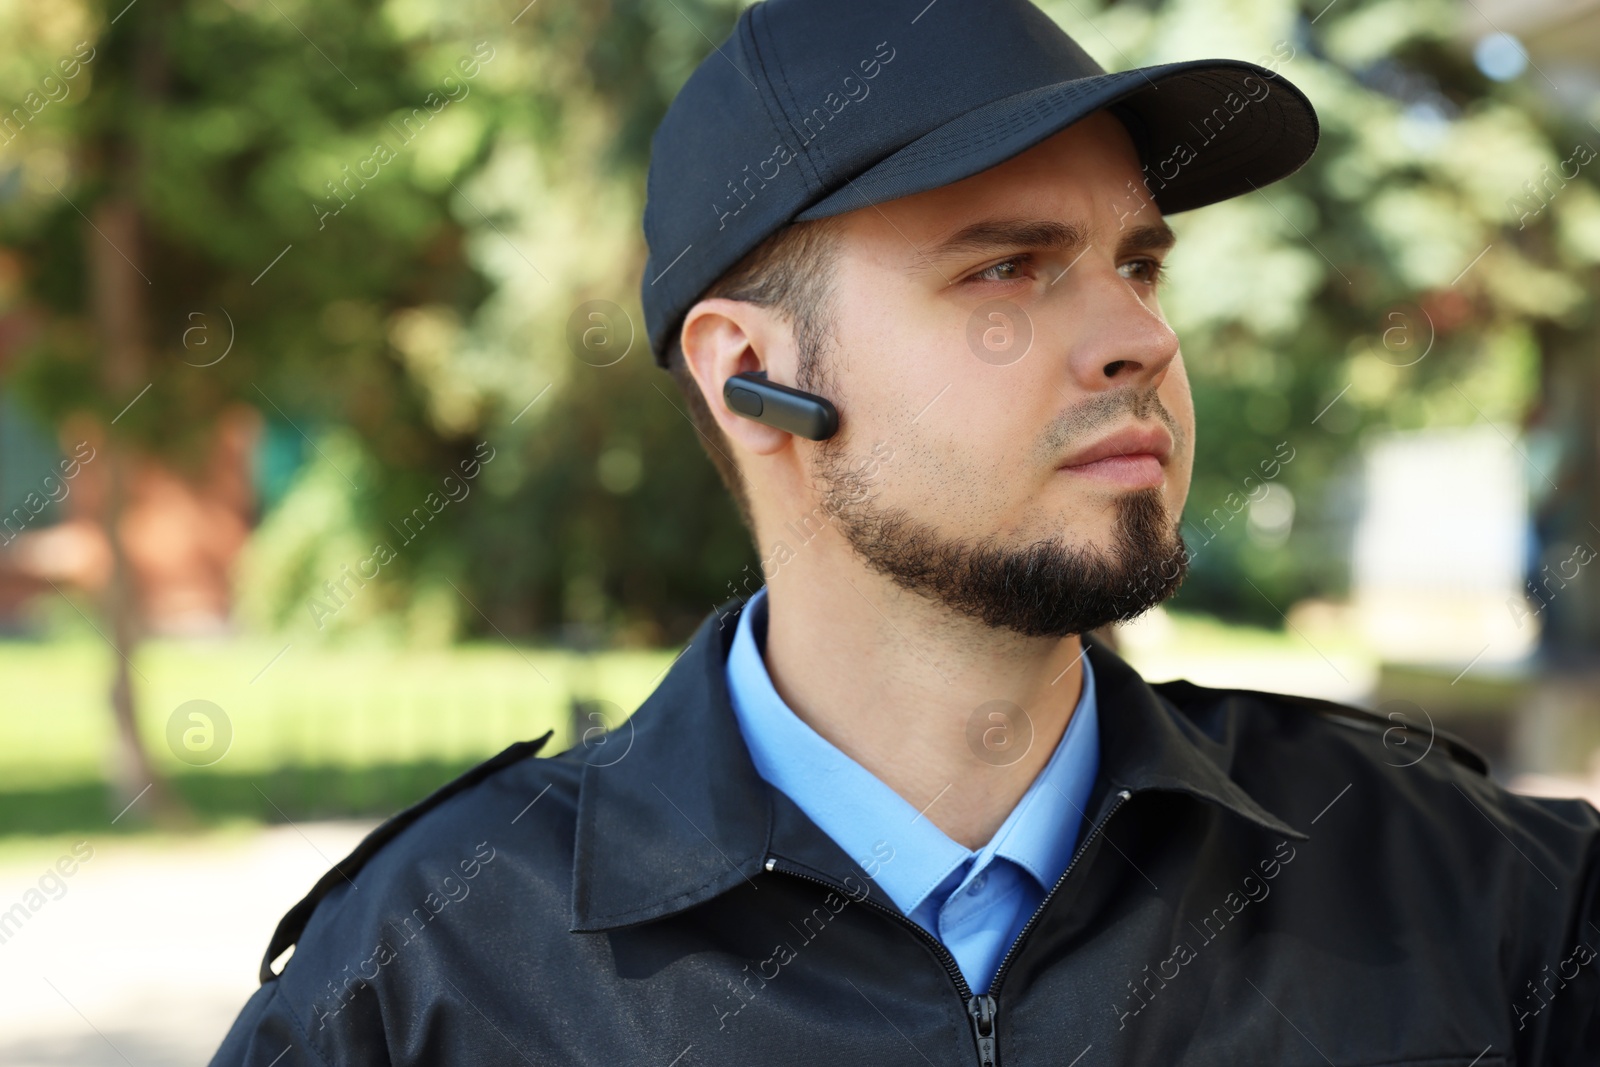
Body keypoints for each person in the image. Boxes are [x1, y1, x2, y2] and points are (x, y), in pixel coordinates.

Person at [212, 1, 1600, 1063]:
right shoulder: (428, 979)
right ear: (754, 372)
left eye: (1137, 264)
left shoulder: (1478, 900)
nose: (1141, 338)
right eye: (1008, 269)